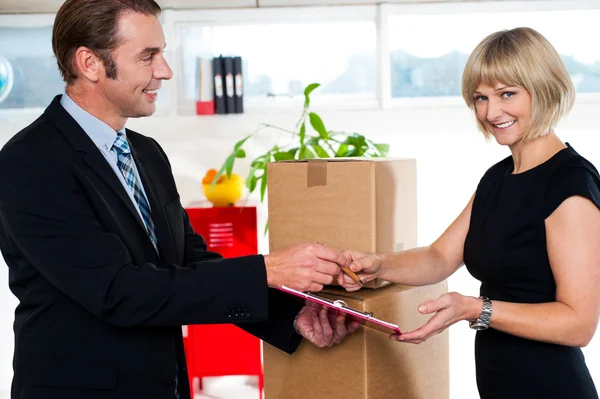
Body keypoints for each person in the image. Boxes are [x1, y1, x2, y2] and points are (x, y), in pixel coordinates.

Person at [0, 1, 359, 398]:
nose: (165, 71)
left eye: (163, 53)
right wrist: (267, 270)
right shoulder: (29, 162)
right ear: (89, 63)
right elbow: (117, 291)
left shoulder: (146, 153)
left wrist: (291, 316)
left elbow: (186, 261)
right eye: (147, 56)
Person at [339, 27, 600, 399]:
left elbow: (579, 324)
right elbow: (440, 256)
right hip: (498, 382)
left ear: (543, 88)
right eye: (480, 97)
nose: (491, 112)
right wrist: (378, 265)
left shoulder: (570, 182)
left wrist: (476, 308)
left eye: (507, 94)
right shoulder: (498, 178)